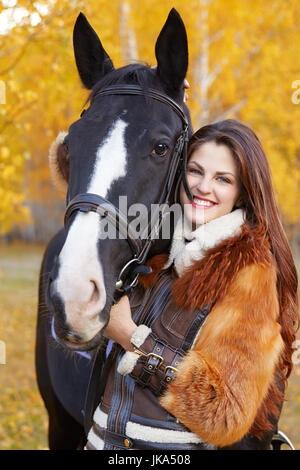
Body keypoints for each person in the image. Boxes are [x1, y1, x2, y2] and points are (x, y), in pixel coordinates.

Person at [86, 119, 298, 450]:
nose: (203, 187)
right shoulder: (154, 246)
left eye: (223, 179)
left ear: (242, 193)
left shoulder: (247, 272)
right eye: (195, 171)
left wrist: (131, 338)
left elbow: (224, 411)